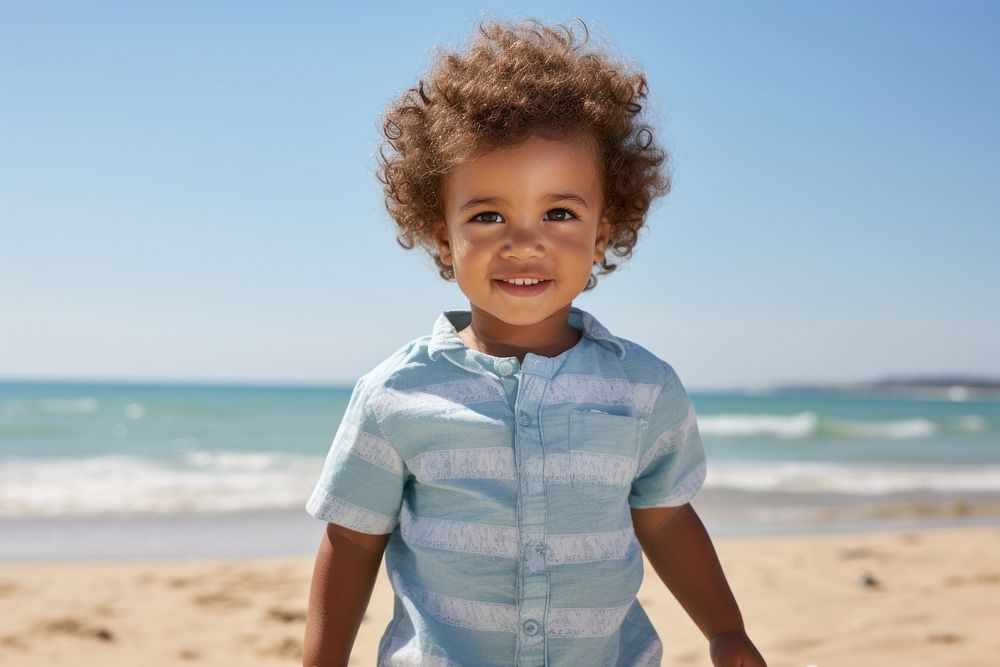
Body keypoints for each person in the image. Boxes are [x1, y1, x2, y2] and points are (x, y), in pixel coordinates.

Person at [302, 17, 766, 667]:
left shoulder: (643, 387)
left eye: (559, 213)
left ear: (602, 234)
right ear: (442, 234)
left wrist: (725, 628)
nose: (523, 241)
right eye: (488, 215)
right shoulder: (395, 394)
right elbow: (352, 542)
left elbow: (663, 517)